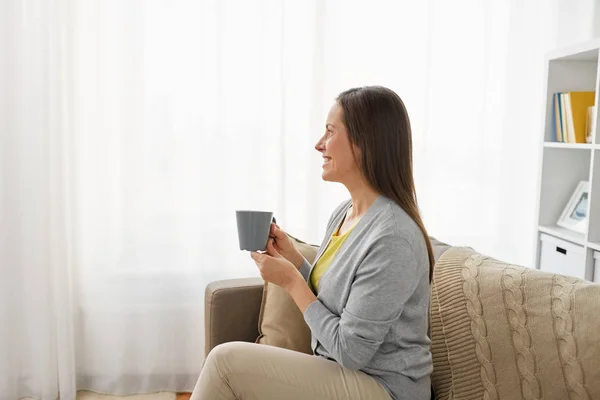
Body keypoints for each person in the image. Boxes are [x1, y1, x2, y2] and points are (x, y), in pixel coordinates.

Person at [190, 85, 434, 400]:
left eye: (330, 132)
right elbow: (339, 303)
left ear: (364, 143)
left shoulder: (393, 238)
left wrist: (292, 284)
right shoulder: (344, 214)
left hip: (384, 389)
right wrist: (295, 261)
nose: (319, 144)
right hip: (345, 374)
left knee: (226, 363)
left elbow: (351, 350)